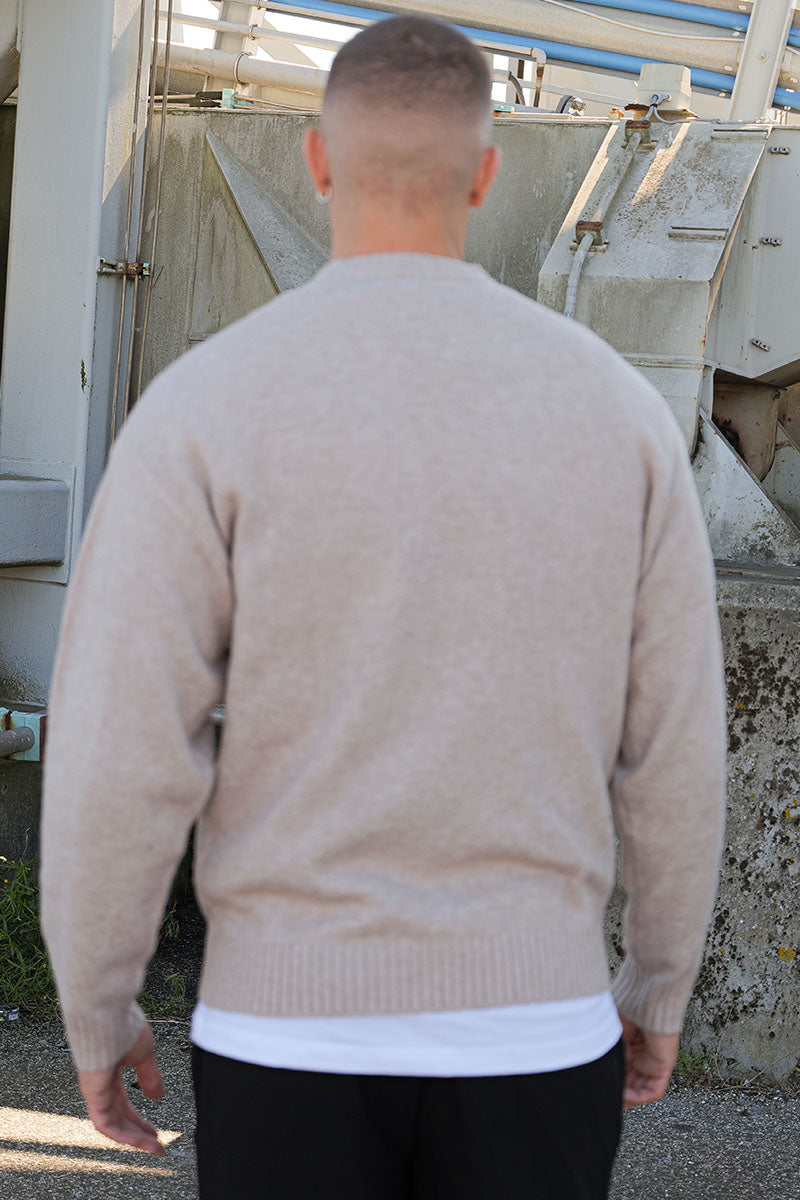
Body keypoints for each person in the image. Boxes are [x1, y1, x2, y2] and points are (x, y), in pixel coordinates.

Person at [41, 15, 727, 1200]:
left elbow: (122, 746)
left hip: (282, 1031)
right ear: (485, 174)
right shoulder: (614, 413)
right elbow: (672, 747)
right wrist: (654, 986)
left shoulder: (205, 407)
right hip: (533, 1029)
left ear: (317, 161)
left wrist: (97, 1005)